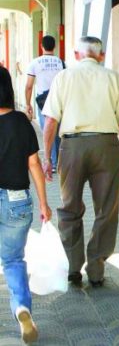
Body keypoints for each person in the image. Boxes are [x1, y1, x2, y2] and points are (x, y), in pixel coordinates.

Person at [42, 36, 119, 288]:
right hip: (106, 146)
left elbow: (50, 121)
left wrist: (47, 158)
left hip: (72, 147)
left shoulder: (63, 77)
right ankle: (96, 269)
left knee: (69, 207)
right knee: (107, 209)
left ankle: (73, 267)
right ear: (101, 55)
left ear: (76, 55)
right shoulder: (114, 78)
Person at [0, 66, 52, 343]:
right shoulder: (21, 121)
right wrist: (44, 203)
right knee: (13, 260)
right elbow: (34, 164)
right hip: (16, 201)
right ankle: (21, 306)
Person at [25, 35, 65, 170]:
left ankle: (51, 162)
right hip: (59, 99)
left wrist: (28, 104)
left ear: (41, 46)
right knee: (58, 130)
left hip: (43, 101)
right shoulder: (61, 63)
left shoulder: (35, 63)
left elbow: (29, 86)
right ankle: (57, 161)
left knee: (47, 130)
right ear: (55, 46)